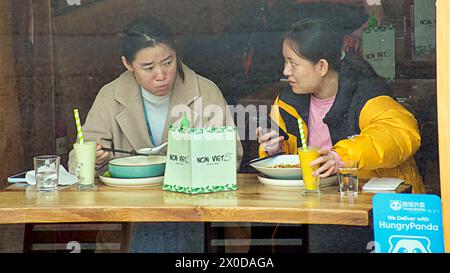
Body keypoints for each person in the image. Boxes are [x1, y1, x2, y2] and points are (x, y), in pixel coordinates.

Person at [67, 16, 244, 252]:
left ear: (177, 54)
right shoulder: (111, 96)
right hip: (128, 211)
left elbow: (231, 156)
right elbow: (77, 164)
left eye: (168, 62)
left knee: (170, 222)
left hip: (193, 210)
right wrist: (94, 160)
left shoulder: (205, 92)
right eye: (148, 68)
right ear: (128, 65)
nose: (160, 75)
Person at [256, 18, 425, 194]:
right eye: (285, 62)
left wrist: (341, 157)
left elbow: (399, 134)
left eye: (293, 63)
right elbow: (290, 165)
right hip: (317, 203)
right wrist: (274, 149)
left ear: (321, 66)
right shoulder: (288, 101)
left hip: (381, 206)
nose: (286, 71)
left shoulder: (367, 92)